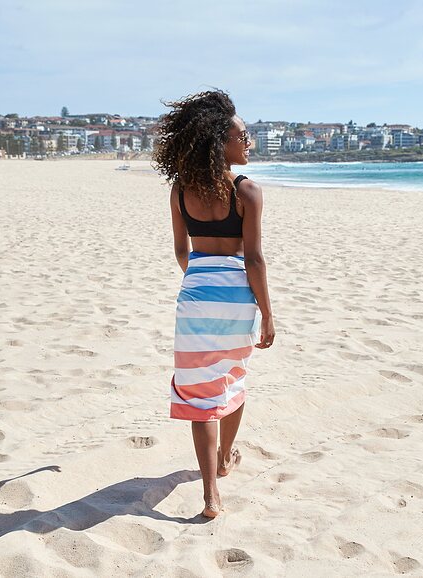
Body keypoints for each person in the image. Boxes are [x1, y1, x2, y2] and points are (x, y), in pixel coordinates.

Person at [152, 90, 274, 518]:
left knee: (200, 390)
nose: (249, 142)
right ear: (219, 141)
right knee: (232, 379)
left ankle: (209, 495)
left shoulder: (180, 190)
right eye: (243, 135)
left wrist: (201, 277)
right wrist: (268, 317)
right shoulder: (248, 191)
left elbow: (181, 252)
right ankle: (225, 460)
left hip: (197, 293)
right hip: (238, 297)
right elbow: (254, 259)